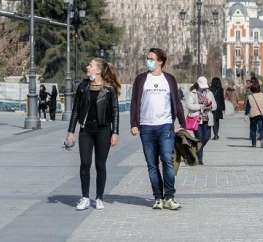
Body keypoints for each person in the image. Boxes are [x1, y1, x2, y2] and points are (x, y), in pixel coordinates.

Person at [129, 48, 186, 211]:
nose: (148, 61)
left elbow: (176, 101)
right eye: (147, 58)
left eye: (152, 58)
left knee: (167, 161)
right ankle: (158, 198)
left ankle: (169, 197)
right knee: (152, 164)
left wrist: (182, 122)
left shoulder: (169, 79)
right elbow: (134, 102)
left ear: (160, 61)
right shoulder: (141, 79)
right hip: (146, 126)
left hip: (165, 126)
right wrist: (134, 123)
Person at [66, 58, 120, 210]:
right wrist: (70, 131)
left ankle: (99, 198)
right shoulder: (83, 86)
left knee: (100, 165)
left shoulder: (109, 89)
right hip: (86, 130)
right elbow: (76, 109)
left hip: (103, 130)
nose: (87, 67)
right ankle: (85, 197)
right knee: (85, 163)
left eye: (90, 65)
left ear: (99, 70)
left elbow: (115, 112)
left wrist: (115, 132)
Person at [184, 76, 216, 165]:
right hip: (197, 119)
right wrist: (201, 107)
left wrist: (210, 106)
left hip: (207, 118)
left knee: (207, 137)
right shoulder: (192, 93)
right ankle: (199, 159)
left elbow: (215, 106)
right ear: (198, 85)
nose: (204, 88)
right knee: (199, 138)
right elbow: (189, 105)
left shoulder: (209, 93)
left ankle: (193, 150)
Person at [244, 78, 263, 148]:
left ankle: (254, 143)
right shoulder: (262, 95)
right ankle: (262, 140)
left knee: (253, 129)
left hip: (253, 114)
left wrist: (246, 114)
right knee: (261, 128)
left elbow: (248, 107)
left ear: (251, 90)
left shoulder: (250, 97)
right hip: (261, 114)